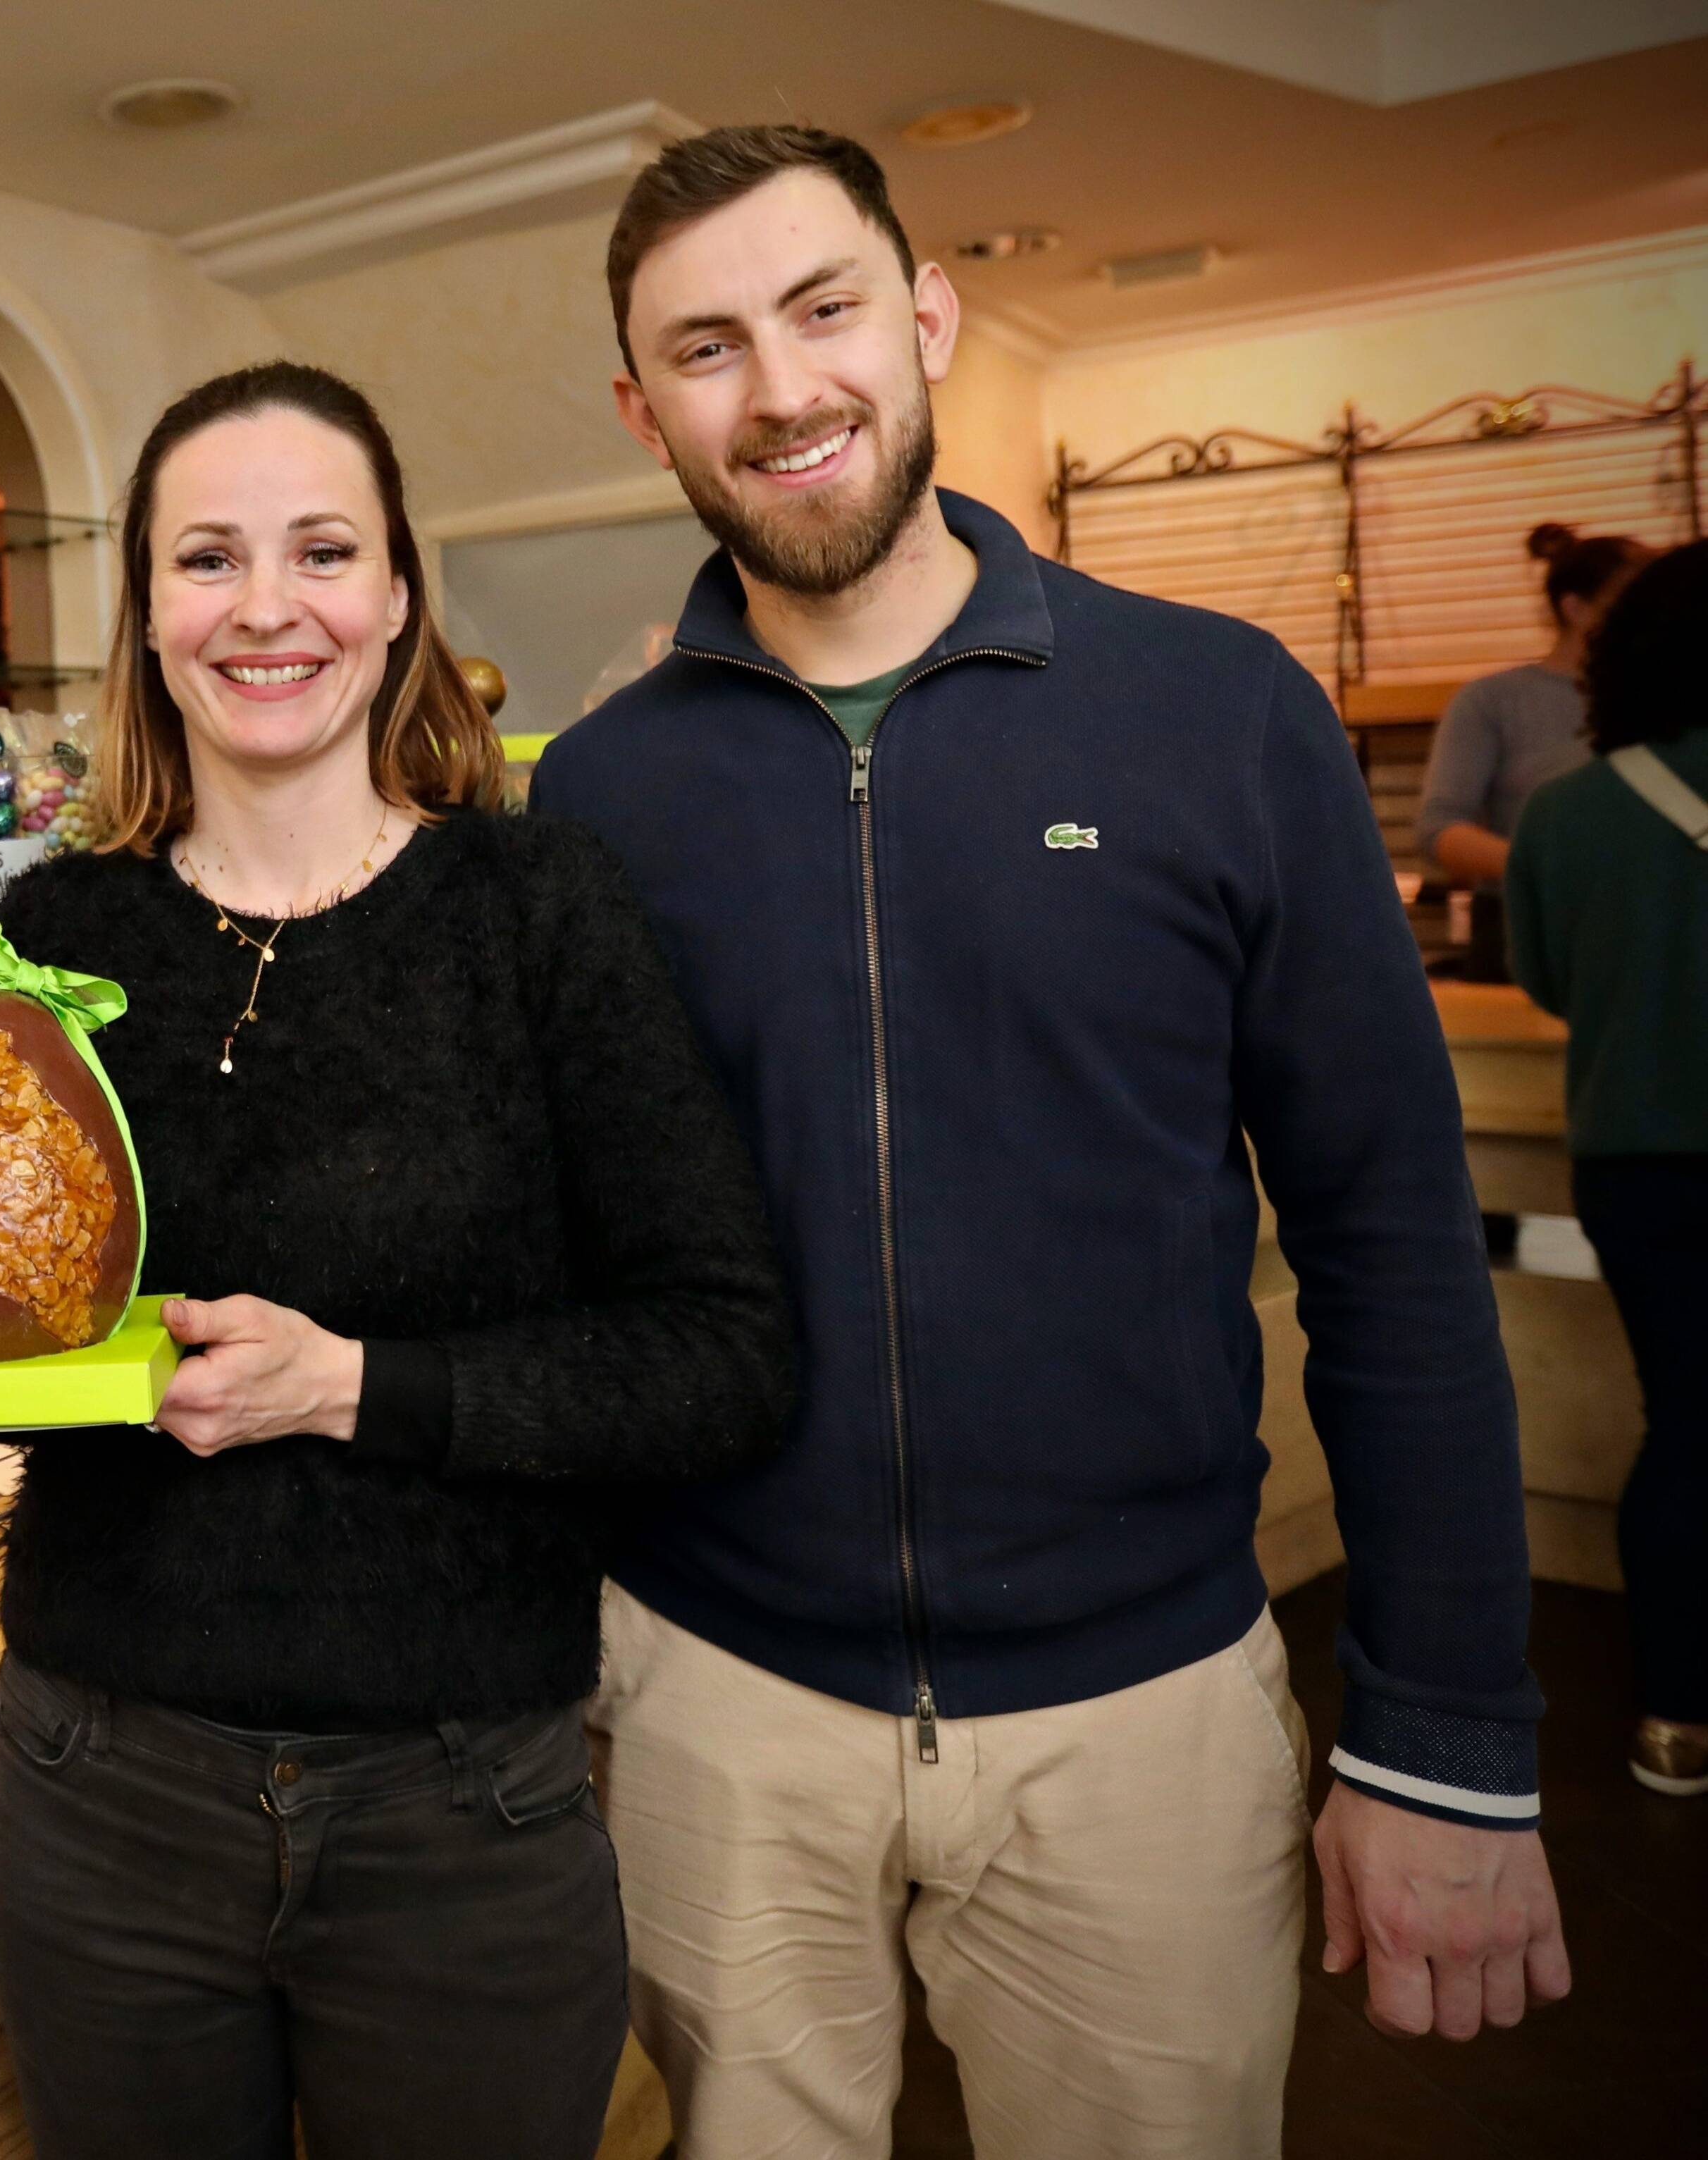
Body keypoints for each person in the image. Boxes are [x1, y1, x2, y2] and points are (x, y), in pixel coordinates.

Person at [535, 124, 1567, 2159]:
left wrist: (1447, 1734)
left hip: (1147, 1713)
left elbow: (1388, 1238)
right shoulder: (595, 801)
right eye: (711, 346)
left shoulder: (1216, 714)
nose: (786, 386)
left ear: (922, 319)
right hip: (712, 1708)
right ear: (645, 408)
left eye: (825, 310)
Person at [0, 360, 796, 2160]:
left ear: (400, 591)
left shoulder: (536, 909)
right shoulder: (49, 932)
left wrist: (360, 1382)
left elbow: (716, 1352)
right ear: (150, 614)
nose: (266, 606)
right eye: (208, 559)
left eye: (321, 549)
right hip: (98, 1792)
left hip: (463, 1809)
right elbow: (22, 1285)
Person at [1505, 539, 1708, 1798]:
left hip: (1637, 1169)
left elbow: (1543, 982)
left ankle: (1677, 1719)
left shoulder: (1568, 812)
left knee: (1685, 1424)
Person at [1420, 524, 1654, 889]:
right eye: (1632, 605)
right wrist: (1550, 868)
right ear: (1576, 610)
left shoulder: (1665, 699)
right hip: (1529, 921)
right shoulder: (1490, 700)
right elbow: (1441, 828)